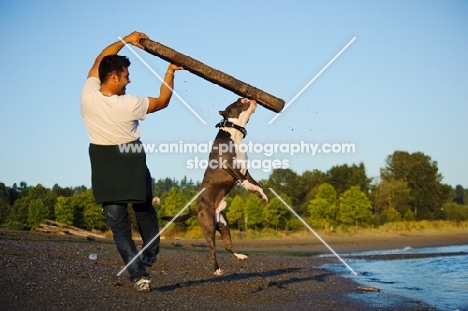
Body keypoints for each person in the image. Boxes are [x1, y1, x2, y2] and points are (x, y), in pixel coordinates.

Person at [81, 31, 183, 291]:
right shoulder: (129, 104)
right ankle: (150, 253)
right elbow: (163, 101)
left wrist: (126, 40)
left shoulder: (88, 95)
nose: (129, 80)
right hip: (130, 160)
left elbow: (100, 58)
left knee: (120, 228)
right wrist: (170, 71)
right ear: (114, 77)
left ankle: (139, 276)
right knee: (144, 208)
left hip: (104, 164)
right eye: (126, 75)